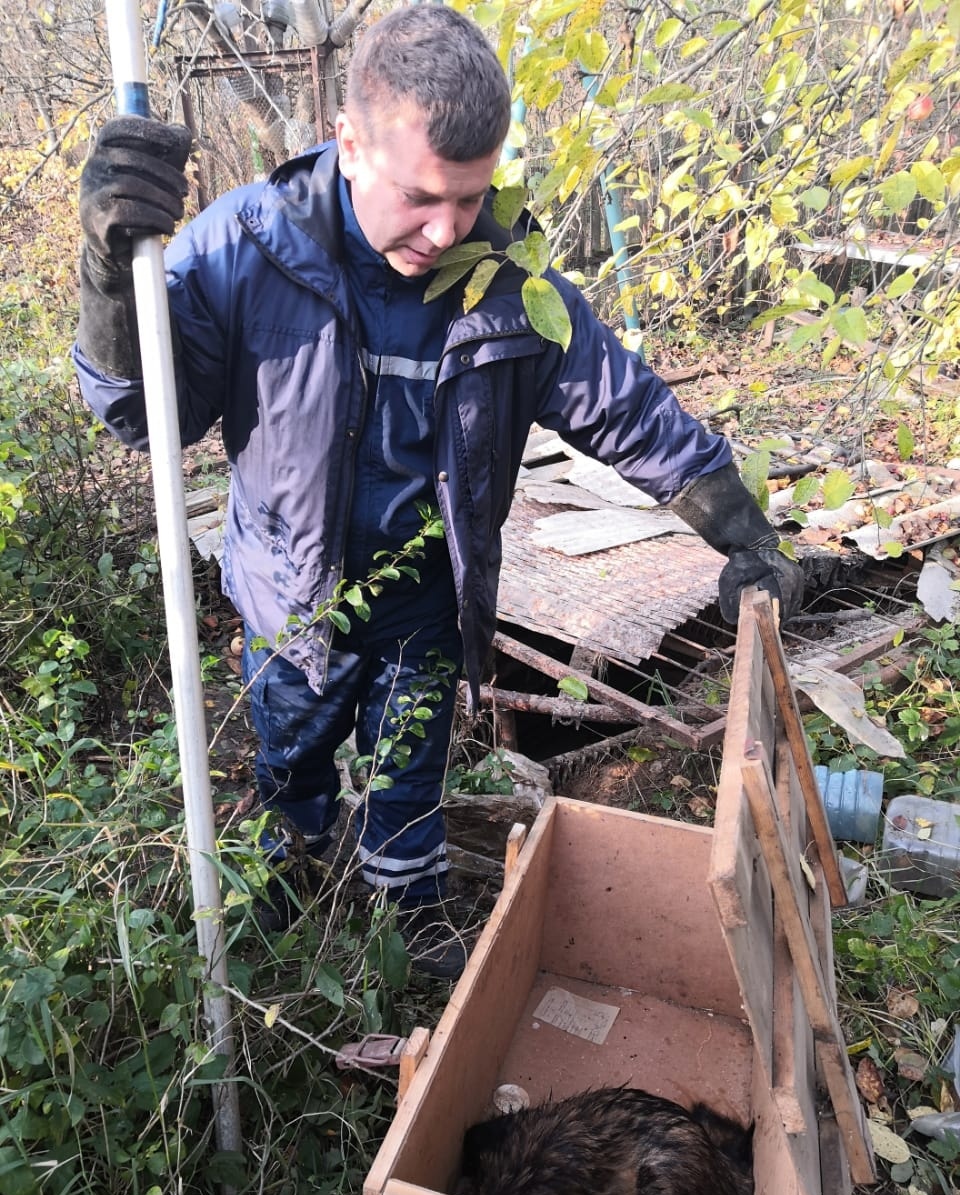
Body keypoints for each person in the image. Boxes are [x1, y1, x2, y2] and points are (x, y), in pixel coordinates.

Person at [73, 4, 803, 981]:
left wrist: (742, 530)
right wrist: (110, 277)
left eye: (471, 196)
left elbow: (621, 403)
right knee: (292, 762)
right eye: (421, 197)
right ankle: (297, 882)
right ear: (347, 143)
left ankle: (408, 917)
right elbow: (138, 410)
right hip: (292, 602)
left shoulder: (503, 276)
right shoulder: (249, 248)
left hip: (423, 606)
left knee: (408, 780)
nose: (446, 228)